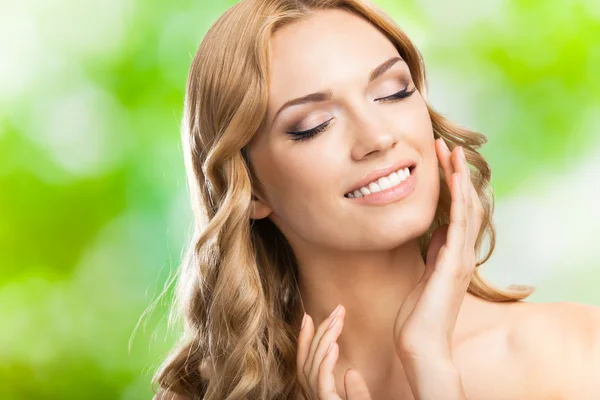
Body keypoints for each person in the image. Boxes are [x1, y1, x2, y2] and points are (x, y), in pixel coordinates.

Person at [152, 0, 600, 398]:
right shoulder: (211, 391)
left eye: (393, 92)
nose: (378, 137)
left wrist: (432, 371)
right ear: (248, 188)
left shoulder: (575, 353)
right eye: (313, 124)